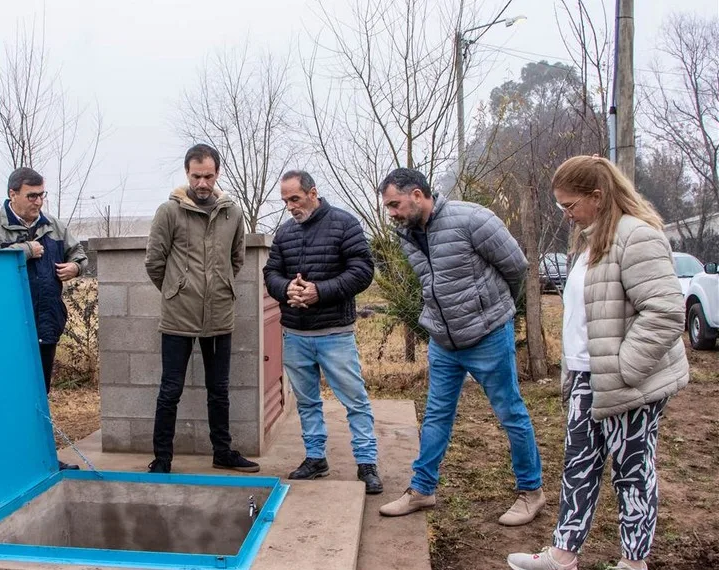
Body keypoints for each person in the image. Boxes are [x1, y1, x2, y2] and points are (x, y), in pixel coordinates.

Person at [507, 156, 689, 570]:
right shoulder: (594, 239)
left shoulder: (637, 237)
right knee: (579, 468)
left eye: (569, 206)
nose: (567, 215)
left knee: (632, 472)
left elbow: (664, 313)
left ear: (598, 196)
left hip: (627, 381)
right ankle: (562, 555)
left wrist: (626, 369)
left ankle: (633, 562)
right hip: (588, 377)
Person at [377, 168, 544, 524]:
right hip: (442, 340)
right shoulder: (408, 234)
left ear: (418, 194)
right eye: (388, 207)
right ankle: (422, 490)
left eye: (395, 204)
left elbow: (517, 267)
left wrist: (492, 313)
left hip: (488, 337)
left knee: (510, 413)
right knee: (436, 414)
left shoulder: (473, 219)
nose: (391, 213)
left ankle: (531, 492)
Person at [262, 170, 383, 494]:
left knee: (355, 401)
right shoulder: (285, 233)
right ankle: (315, 459)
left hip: (335, 334)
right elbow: (270, 272)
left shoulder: (345, 224)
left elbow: (362, 271)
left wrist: (320, 291)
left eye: (295, 199)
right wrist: (288, 288)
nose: (289, 206)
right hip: (295, 334)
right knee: (307, 402)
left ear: (313, 193)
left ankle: (367, 464)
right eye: (285, 201)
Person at [144, 143, 259, 474]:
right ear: (187, 174)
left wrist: (218, 287)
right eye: (197, 176)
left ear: (217, 173)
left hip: (220, 314)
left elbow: (236, 259)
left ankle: (222, 451)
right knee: (170, 391)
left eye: (209, 176)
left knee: (219, 390)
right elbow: (154, 262)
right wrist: (175, 291)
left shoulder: (232, 213)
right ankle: (162, 458)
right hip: (178, 317)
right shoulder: (169, 212)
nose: (203, 183)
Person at [0, 167, 87, 471]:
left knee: (40, 394)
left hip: (46, 325)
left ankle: (42, 459)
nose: (38, 201)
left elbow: (80, 255)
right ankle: (7, 460)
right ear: (13, 194)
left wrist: (75, 268)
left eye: (41, 195)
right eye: (31, 195)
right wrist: (24, 250)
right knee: (8, 393)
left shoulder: (55, 227)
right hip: (6, 330)